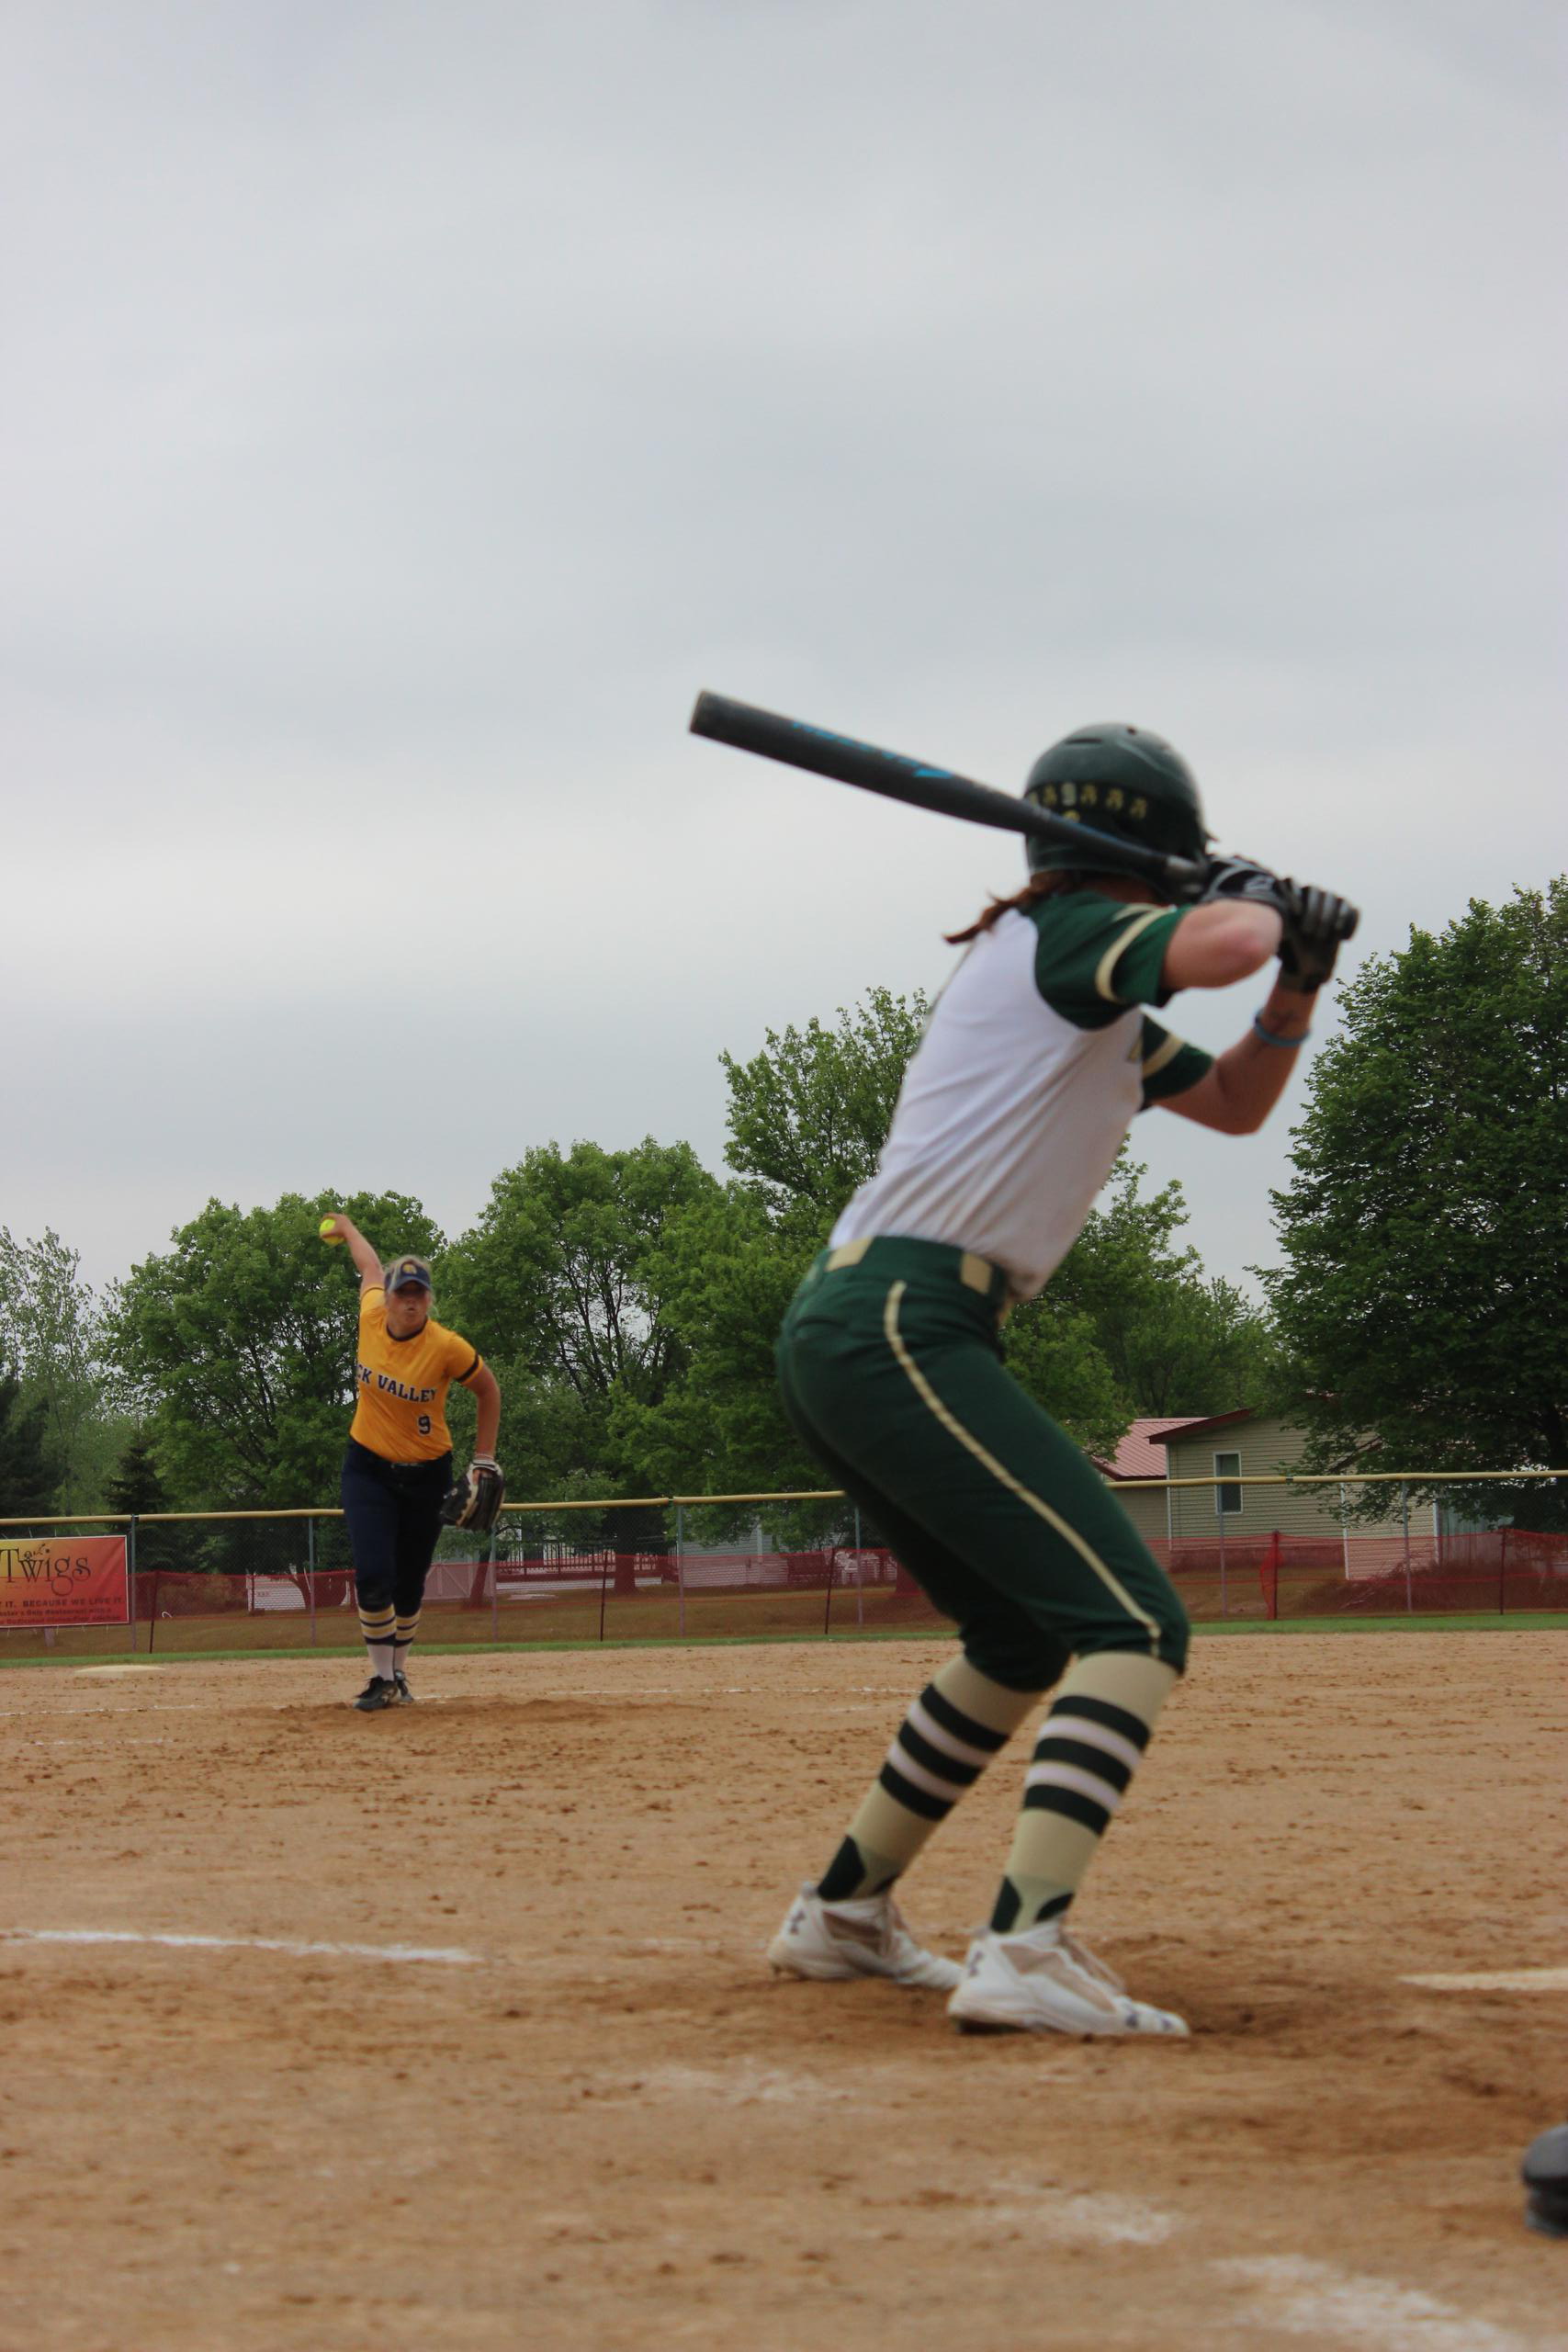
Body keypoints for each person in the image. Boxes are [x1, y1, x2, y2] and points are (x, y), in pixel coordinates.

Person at [766, 721, 1353, 2036]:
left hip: (874, 1326)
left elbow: (1236, 1104)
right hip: (902, 1322)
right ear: (1151, 855)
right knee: (1132, 1627)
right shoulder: (1067, 930)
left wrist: (1293, 986)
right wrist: (1248, 901)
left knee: (1020, 1636)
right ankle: (1022, 1949)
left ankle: (842, 1915)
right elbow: (1219, 944)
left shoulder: (1070, 983)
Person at [321, 1216, 502, 1713]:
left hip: (427, 1474)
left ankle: (397, 1672)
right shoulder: (371, 1315)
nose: (409, 1300)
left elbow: (488, 1390)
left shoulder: (446, 1346)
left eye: (419, 1293)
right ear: (391, 1295)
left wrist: (483, 1458)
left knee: (410, 1580)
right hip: (368, 1468)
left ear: (428, 1299)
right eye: (404, 1291)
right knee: (375, 1574)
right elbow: (368, 1264)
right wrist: (349, 1227)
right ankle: (382, 1679)